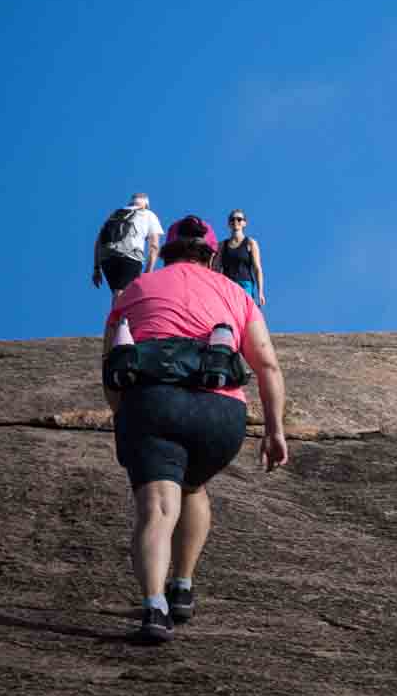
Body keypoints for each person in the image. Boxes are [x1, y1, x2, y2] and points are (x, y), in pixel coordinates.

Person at [102, 215, 289, 643]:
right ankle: (182, 586)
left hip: (152, 402)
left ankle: (154, 610)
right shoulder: (232, 292)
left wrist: (125, 417)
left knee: (157, 509)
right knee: (193, 486)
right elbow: (268, 365)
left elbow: (110, 366)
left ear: (166, 250)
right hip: (219, 415)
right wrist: (275, 429)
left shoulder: (135, 289)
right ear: (212, 253)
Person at [93, 193, 164, 294]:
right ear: (146, 205)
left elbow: (98, 242)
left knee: (119, 292)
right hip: (130, 256)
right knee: (123, 294)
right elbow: (154, 246)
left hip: (106, 257)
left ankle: (118, 308)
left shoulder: (116, 213)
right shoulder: (149, 214)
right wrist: (148, 272)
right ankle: (118, 309)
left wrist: (96, 268)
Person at [217, 210, 267, 309]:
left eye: (239, 219)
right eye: (232, 219)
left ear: (244, 223)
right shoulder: (222, 245)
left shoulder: (250, 243)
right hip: (227, 285)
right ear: (229, 224)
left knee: (244, 312)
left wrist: (260, 292)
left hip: (245, 284)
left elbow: (257, 269)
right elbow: (217, 268)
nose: (236, 222)